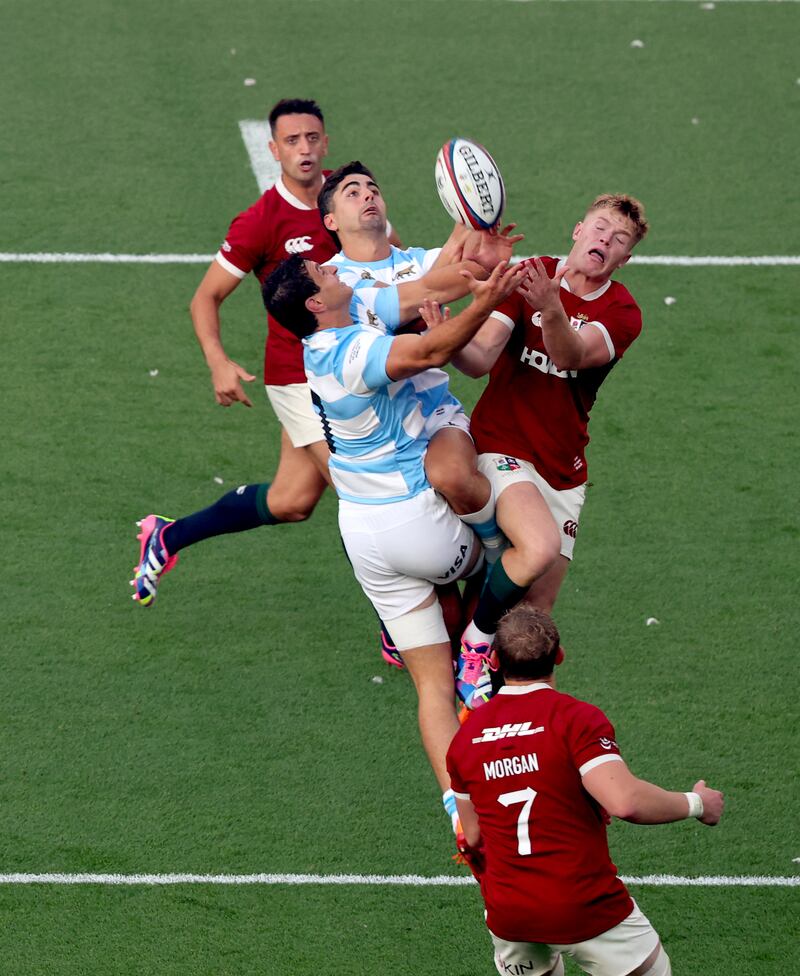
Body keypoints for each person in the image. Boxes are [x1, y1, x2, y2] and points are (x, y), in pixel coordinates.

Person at [262, 253, 526, 835]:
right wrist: (487, 301)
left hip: (363, 535)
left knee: (431, 683)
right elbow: (428, 352)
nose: (335, 273)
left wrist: (474, 235)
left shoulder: (330, 331)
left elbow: (423, 286)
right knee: (519, 553)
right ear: (314, 303)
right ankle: (481, 645)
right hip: (417, 524)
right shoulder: (349, 354)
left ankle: (461, 810)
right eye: (323, 275)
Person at [130, 99, 400, 606]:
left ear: (326, 143)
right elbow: (204, 298)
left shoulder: (346, 198)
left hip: (353, 366)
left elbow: (389, 257)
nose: (304, 149)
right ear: (273, 149)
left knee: (292, 500)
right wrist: (218, 361)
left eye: (313, 138)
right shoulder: (260, 222)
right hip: (298, 379)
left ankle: (167, 537)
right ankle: (397, 625)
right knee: (365, 490)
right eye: (292, 141)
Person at [317, 161, 522, 667]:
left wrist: (477, 233)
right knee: (438, 604)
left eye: (373, 187)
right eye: (351, 192)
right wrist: (470, 256)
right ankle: (421, 617)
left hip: (432, 418)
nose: (367, 195)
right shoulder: (340, 285)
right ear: (330, 221)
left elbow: (450, 265)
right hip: (388, 449)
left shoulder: (415, 260)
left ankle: (497, 561)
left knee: (453, 472)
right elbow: (439, 284)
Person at [446, 603, 724, 976]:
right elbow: (624, 801)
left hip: (509, 913)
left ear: (494, 660)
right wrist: (697, 804)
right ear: (559, 656)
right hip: (583, 905)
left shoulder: (466, 740)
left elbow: (474, 836)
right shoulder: (575, 720)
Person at [450, 194, 650, 708]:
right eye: (601, 228)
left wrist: (551, 306)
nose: (606, 239)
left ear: (625, 258)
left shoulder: (622, 311)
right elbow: (479, 360)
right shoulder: (532, 273)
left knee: (537, 613)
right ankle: (473, 648)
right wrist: (444, 337)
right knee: (535, 550)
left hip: (563, 467)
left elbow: (572, 354)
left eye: (619, 238)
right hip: (502, 443)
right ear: (577, 229)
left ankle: (505, 710)